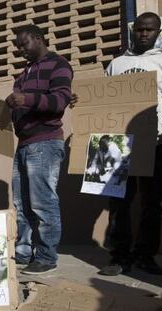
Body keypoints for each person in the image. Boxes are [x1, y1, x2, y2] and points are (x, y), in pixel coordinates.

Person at [98, 12, 162, 276]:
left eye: (150, 30)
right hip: (119, 144)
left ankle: (145, 255)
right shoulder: (116, 64)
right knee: (119, 202)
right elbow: (103, 101)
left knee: (152, 201)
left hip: (155, 141)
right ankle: (119, 256)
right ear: (133, 31)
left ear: (158, 32)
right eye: (140, 30)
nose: (144, 34)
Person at [6, 25, 73, 274]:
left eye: (24, 44)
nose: (20, 50)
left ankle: (46, 256)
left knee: (43, 203)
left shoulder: (59, 65)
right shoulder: (23, 74)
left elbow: (59, 101)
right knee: (21, 204)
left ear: (39, 39)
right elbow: (20, 106)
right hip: (24, 144)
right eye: (18, 46)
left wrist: (26, 99)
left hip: (45, 142)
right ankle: (23, 252)